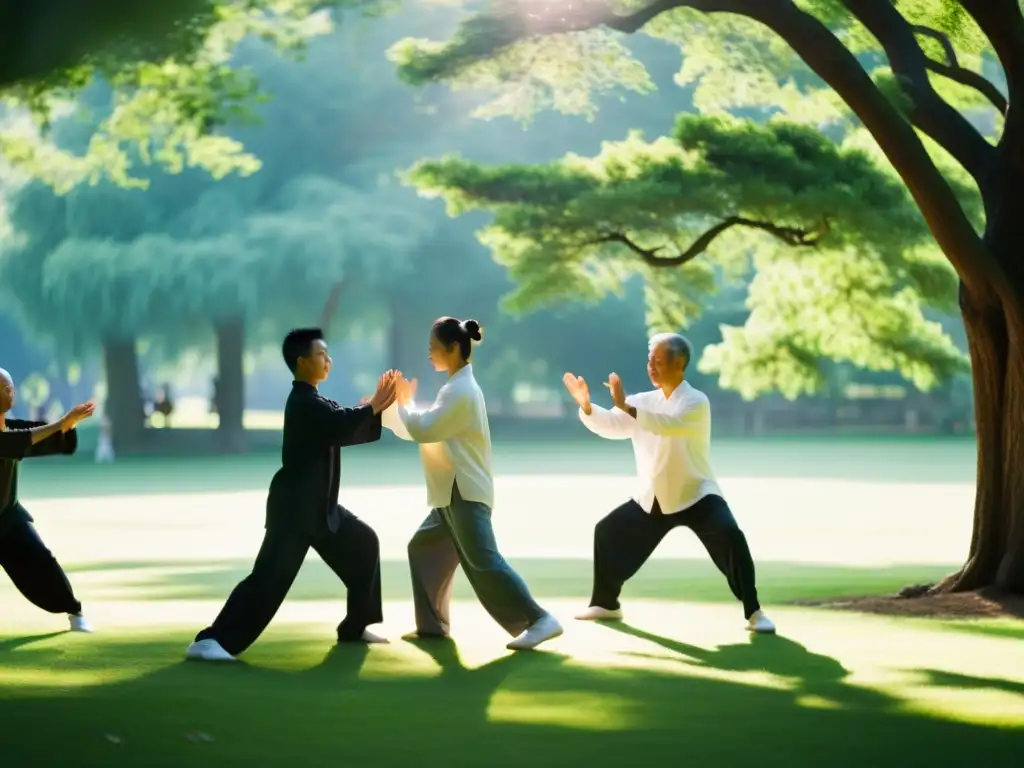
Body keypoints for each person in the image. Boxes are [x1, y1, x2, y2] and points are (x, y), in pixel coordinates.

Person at [186, 329, 398, 662]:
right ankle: (212, 640)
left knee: (364, 543)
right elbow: (340, 423)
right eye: (320, 354)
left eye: (328, 353)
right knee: (268, 580)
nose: (327, 359)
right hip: (295, 513)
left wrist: (375, 409)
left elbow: (343, 423)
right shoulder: (303, 402)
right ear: (301, 362)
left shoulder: (315, 400)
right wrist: (373, 406)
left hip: (321, 510)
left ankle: (355, 626)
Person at [564, 333, 775, 634]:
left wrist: (625, 405)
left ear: (679, 364)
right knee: (607, 531)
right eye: (649, 361)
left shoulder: (696, 402)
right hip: (654, 498)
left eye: (658, 361)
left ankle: (754, 611)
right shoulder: (639, 401)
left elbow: (669, 425)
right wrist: (587, 406)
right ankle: (606, 604)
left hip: (697, 494)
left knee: (729, 535)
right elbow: (612, 425)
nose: (651, 367)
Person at [381, 317, 563, 651]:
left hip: (464, 492)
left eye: (433, 348)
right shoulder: (453, 388)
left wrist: (401, 404)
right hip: (451, 493)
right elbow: (423, 427)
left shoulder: (460, 390)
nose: (429, 354)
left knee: (484, 561)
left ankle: (539, 619)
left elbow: (424, 428)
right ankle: (433, 627)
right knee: (422, 547)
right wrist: (390, 408)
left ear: (452, 349)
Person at [0, 368, 96, 633]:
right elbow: (13, 443)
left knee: (42, 562)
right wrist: (60, 422)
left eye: (11, 387)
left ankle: (74, 611)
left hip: (7, 518)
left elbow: (37, 437)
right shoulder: (9, 435)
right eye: (5, 388)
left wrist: (68, 423)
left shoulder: (11, 425)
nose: (11, 392)